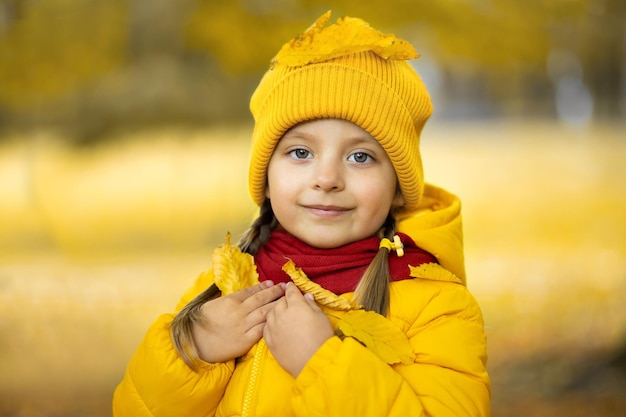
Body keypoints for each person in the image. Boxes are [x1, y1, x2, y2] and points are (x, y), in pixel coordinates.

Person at [113, 10, 490, 417]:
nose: (327, 178)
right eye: (300, 152)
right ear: (267, 177)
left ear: (398, 188)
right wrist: (193, 349)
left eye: (360, 156)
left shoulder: (437, 306)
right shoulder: (227, 285)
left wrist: (320, 361)